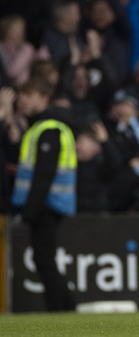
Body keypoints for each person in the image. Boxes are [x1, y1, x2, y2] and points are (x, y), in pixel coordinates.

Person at [11, 77, 77, 311]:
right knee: (45, 260)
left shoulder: (48, 128)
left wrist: (28, 211)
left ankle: (60, 309)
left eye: (29, 96)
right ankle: (66, 308)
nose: (23, 100)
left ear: (44, 98)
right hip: (48, 204)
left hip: (46, 205)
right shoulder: (43, 126)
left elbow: (43, 175)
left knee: (44, 260)